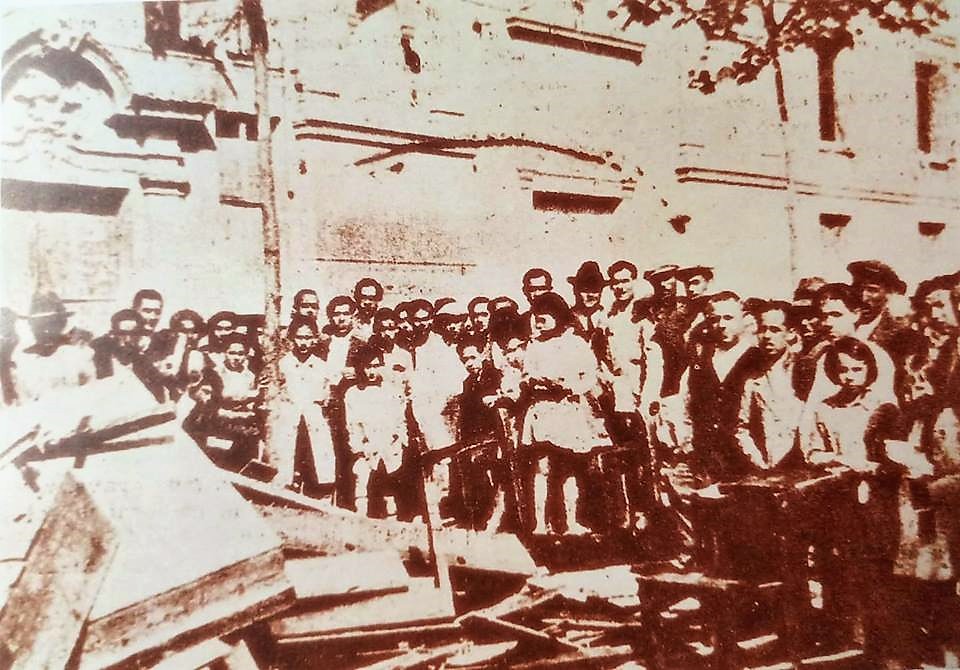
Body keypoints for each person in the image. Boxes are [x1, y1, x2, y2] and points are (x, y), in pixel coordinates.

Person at [520, 292, 611, 535]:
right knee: (543, 468)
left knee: (570, 467)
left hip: (568, 411)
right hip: (542, 410)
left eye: (544, 317)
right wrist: (535, 381)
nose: (539, 322)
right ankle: (540, 524)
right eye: (536, 317)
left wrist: (569, 387)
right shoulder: (535, 345)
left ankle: (570, 521)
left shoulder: (576, 344)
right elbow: (526, 375)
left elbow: (589, 376)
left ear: (558, 316)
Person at [662, 292, 761, 483]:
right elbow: (684, 406)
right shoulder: (700, 360)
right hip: (705, 463)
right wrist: (688, 445)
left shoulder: (757, 359)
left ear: (744, 318)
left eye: (729, 318)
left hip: (746, 462)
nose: (721, 324)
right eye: (715, 319)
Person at [267, 318, 337, 496]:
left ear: (315, 338)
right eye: (299, 337)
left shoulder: (322, 366)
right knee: (287, 460)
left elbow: (326, 396)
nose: (303, 342)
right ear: (292, 338)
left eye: (308, 337)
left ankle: (319, 494)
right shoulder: (283, 364)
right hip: (288, 419)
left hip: (313, 422)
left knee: (318, 459)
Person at [735, 300, 806, 470]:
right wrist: (758, 461)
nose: (767, 336)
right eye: (762, 329)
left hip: (801, 465)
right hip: (767, 466)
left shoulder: (804, 372)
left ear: (791, 333)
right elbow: (741, 426)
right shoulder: (752, 378)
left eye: (775, 330)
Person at [344, 343, 410, 518]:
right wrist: (359, 448)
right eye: (367, 367)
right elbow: (353, 424)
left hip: (389, 443)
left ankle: (392, 518)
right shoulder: (353, 393)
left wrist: (398, 440)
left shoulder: (392, 391)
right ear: (360, 367)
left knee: (391, 479)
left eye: (376, 366)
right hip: (367, 445)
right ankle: (361, 516)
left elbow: (400, 419)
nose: (371, 371)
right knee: (362, 476)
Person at [12, 291, 95, 403]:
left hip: (56, 339)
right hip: (47, 342)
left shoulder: (73, 344)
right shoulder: (27, 354)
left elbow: (63, 323)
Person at [848, 260, 912, 363]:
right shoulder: (841, 325)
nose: (863, 298)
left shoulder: (900, 336)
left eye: (872, 290)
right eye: (857, 288)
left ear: (889, 293)